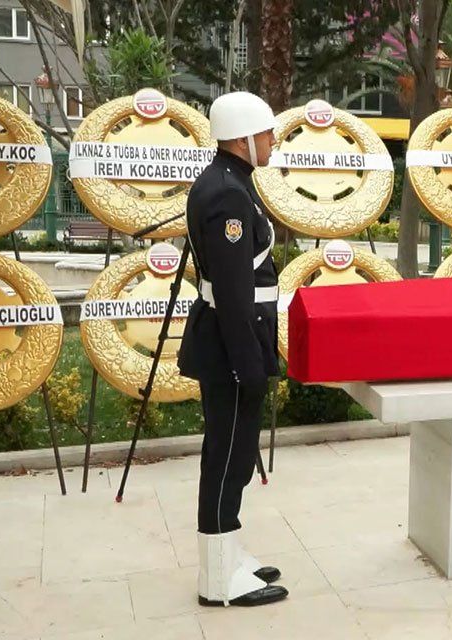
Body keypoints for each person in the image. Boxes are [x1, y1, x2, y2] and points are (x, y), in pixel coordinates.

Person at [178, 91, 288, 607]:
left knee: (235, 454)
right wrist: (250, 364)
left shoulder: (230, 182)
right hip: (232, 345)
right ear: (242, 139)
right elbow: (232, 291)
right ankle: (218, 581)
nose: (273, 140)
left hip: (236, 339)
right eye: (266, 133)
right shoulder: (227, 195)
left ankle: (228, 551)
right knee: (227, 457)